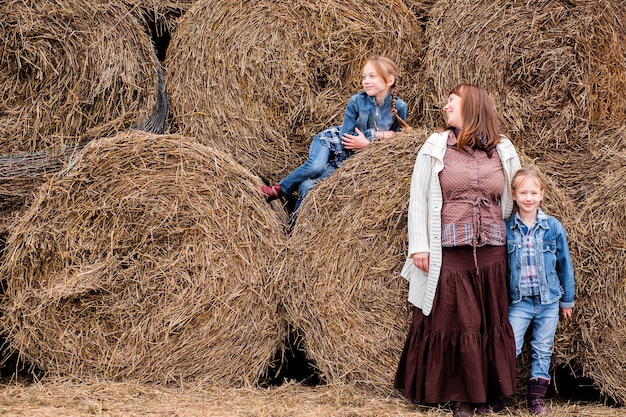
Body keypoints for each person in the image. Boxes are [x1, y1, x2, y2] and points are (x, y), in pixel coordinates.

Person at [394, 84, 520, 417]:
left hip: (492, 250)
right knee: (458, 322)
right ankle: (461, 396)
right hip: (450, 250)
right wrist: (419, 246)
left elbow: (513, 196)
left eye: (452, 101)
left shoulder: (503, 148)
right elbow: (418, 199)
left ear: (473, 106)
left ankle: (490, 393)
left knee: (490, 321)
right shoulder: (436, 146)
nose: (445, 106)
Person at [260, 56, 410, 214]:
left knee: (308, 186)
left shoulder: (399, 107)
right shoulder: (356, 101)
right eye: (363, 77)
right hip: (332, 141)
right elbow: (347, 136)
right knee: (315, 166)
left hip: (349, 156)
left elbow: (396, 141)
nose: (366, 81)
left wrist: (368, 144)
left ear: (389, 80)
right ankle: (278, 189)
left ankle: (293, 227)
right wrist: (376, 134)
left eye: (372, 76)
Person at [505, 167, 575, 415]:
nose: (528, 198)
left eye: (533, 192)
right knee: (510, 346)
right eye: (523, 192)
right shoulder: (507, 229)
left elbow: (565, 264)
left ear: (542, 195)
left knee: (542, 348)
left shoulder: (553, 227)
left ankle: (536, 400)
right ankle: (499, 394)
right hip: (520, 302)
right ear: (513, 195)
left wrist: (567, 300)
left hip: (548, 302)